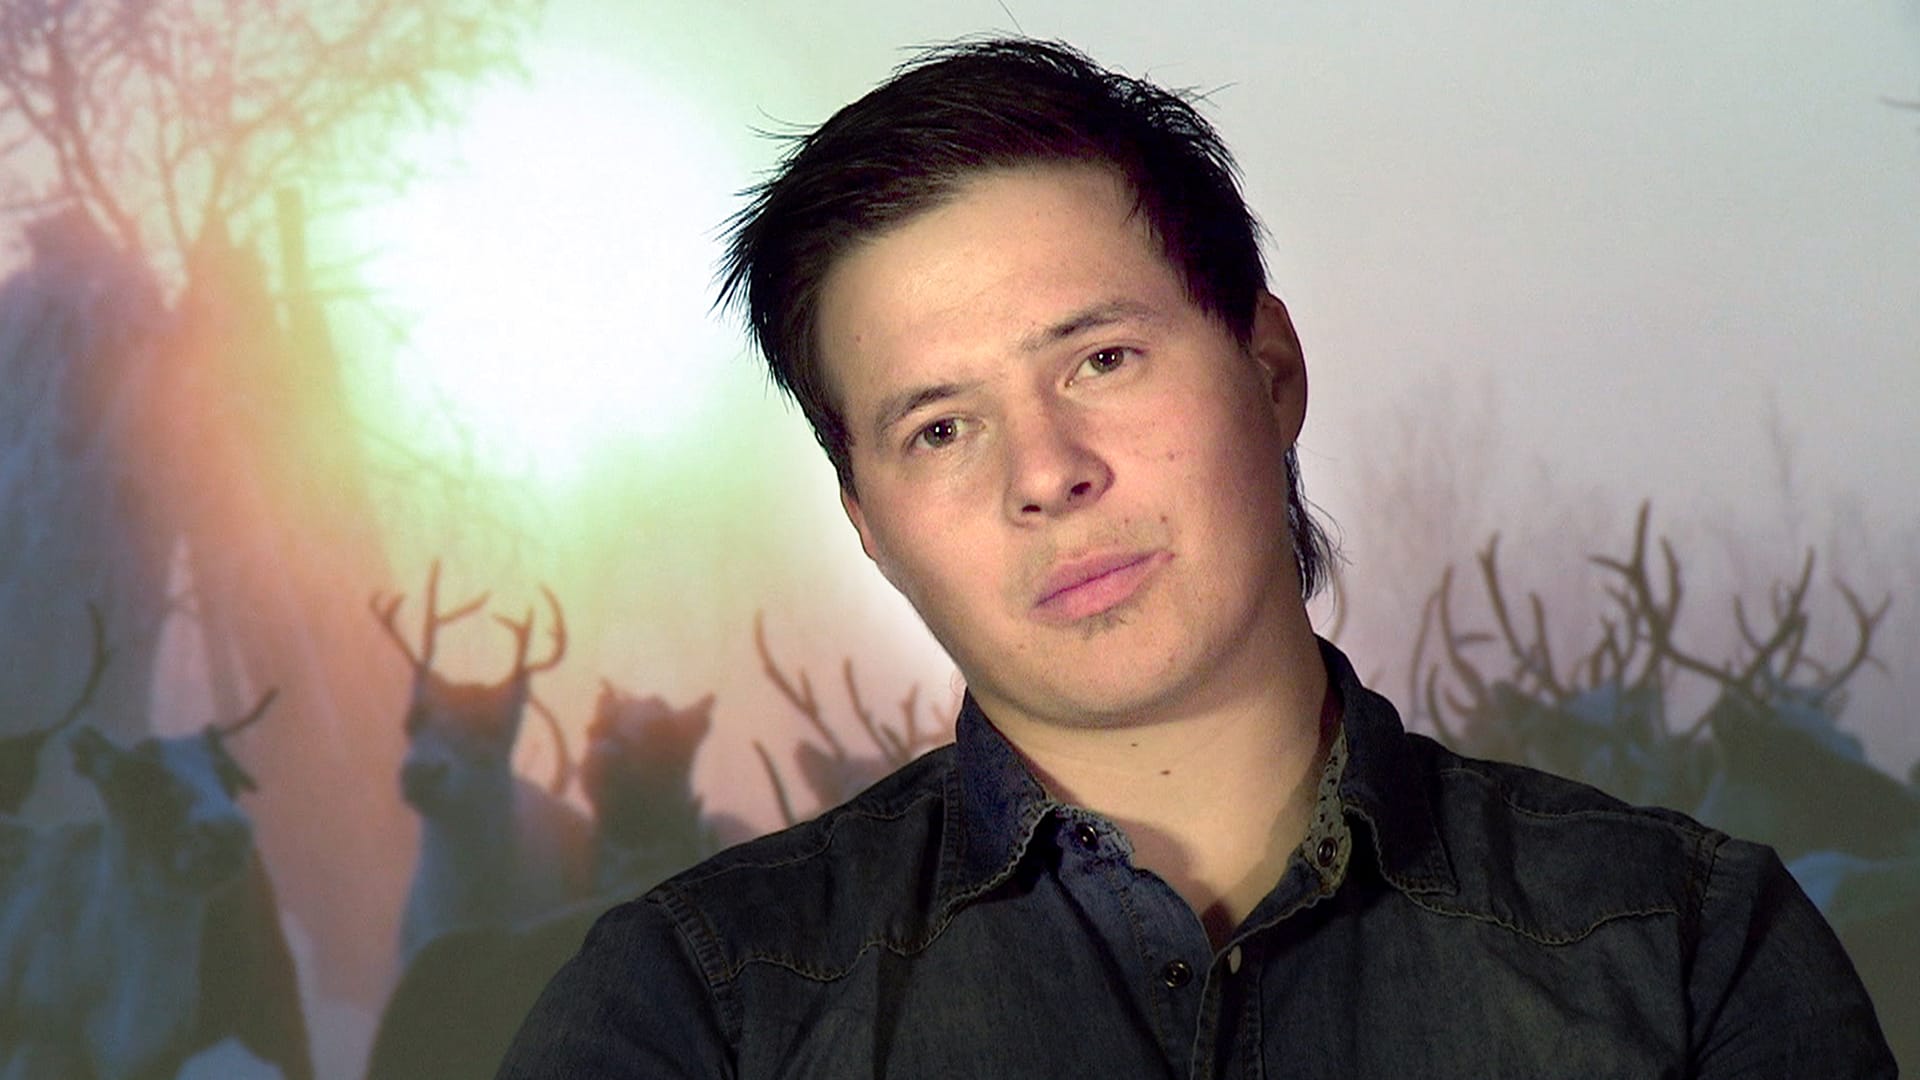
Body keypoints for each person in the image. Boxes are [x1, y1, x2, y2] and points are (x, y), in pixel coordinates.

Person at [497, 38, 1894, 1078]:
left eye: (1101, 359)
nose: (1045, 472)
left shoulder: (1686, 950)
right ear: (867, 522)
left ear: (1271, 368)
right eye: (940, 429)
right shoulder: (701, 1010)